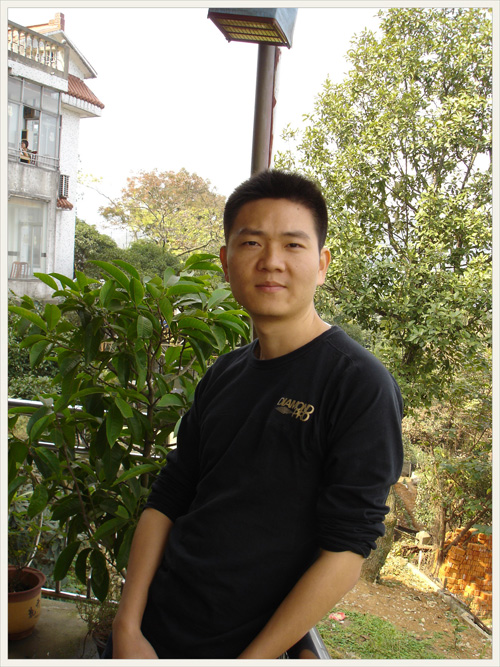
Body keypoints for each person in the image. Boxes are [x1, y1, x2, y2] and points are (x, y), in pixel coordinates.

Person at [107, 169, 404, 659]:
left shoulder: (359, 385)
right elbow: (169, 497)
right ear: (226, 263)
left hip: (245, 648)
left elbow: (347, 550)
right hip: (153, 628)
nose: (271, 262)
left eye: (293, 245)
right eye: (251, 243)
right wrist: (127, 626)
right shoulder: (224, 373)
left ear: (322, 264)